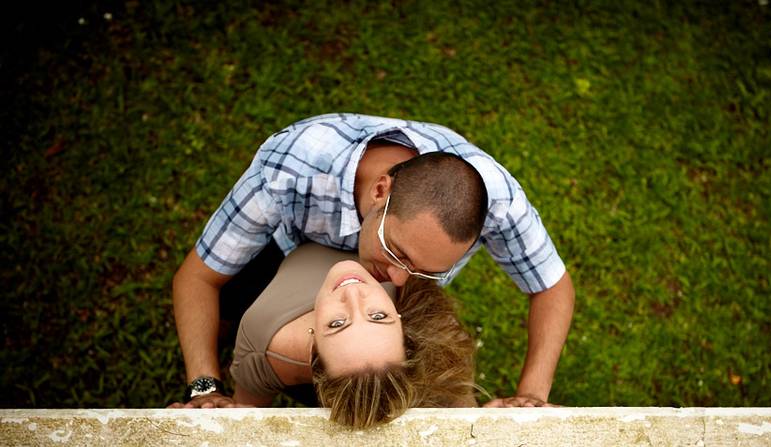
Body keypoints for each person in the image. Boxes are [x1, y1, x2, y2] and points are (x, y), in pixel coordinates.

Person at [173, 113, 574, 408]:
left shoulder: (498, 203)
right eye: (397, 252)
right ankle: (222, 339)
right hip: (285, 250)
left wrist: (532, 396)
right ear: (381, 191)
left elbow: (552, 287)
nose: (399, 279)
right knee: (235, 299)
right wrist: (205, 387)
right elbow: (198, 278)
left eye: (424, 270)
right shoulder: (291, 168)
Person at [169, 244, 479, 429]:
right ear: (401, 322)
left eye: (338, 323)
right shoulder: (417, 299)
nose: (354, 294)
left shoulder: (263, 349)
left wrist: (213, 403)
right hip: (271, 258)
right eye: (378, 317)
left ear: (313, 340)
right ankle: (222, 321)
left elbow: (243, 413)